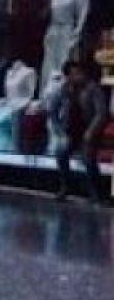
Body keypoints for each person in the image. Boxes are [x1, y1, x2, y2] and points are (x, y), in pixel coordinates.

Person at [49, 61, 110, 203]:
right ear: (68, 76)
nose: (78, 76)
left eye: (80, 73)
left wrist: (91, 131)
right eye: (74, 74)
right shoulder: (64, 89)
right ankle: (66, 186)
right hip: (70, 130)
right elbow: (52, 110)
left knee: (88, 159)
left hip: (88, 129)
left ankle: (95, 192)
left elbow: (101, 112)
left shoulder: (93, 88)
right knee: (61, 153)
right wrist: (59, 130)